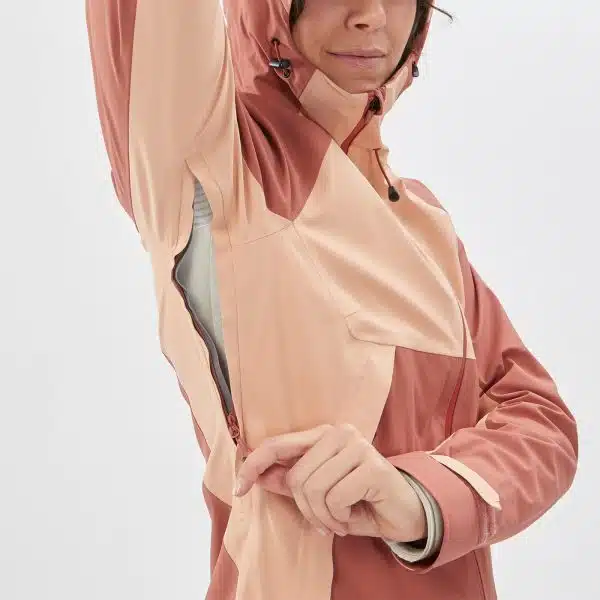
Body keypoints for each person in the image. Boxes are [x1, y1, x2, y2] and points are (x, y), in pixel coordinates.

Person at [85, 1, 578, 598]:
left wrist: (419, 495)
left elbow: (541, 422)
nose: (370, 15)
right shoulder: (213, 162)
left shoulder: (424, 225)